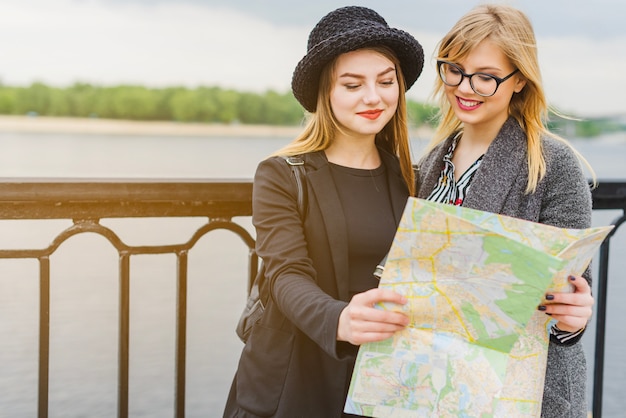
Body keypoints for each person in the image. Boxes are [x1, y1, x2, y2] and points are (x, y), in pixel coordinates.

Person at [223, 6, 424, 417]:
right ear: (325, 94)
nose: (374, 97)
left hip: (382, 383)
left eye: (386, 81)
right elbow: (285, 272)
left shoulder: (411, 178)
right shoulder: (281, 174)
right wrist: (339, 320)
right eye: (352, 85)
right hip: (294, 380)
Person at [415, 4, 594, 417]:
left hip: (521, 394)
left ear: (519, 81)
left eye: (486, 77)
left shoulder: (553, 166)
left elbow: (567, 304)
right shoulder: (429, 165)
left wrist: (572, 319)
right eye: (454, 69)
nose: (465, 86)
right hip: (437, 386)